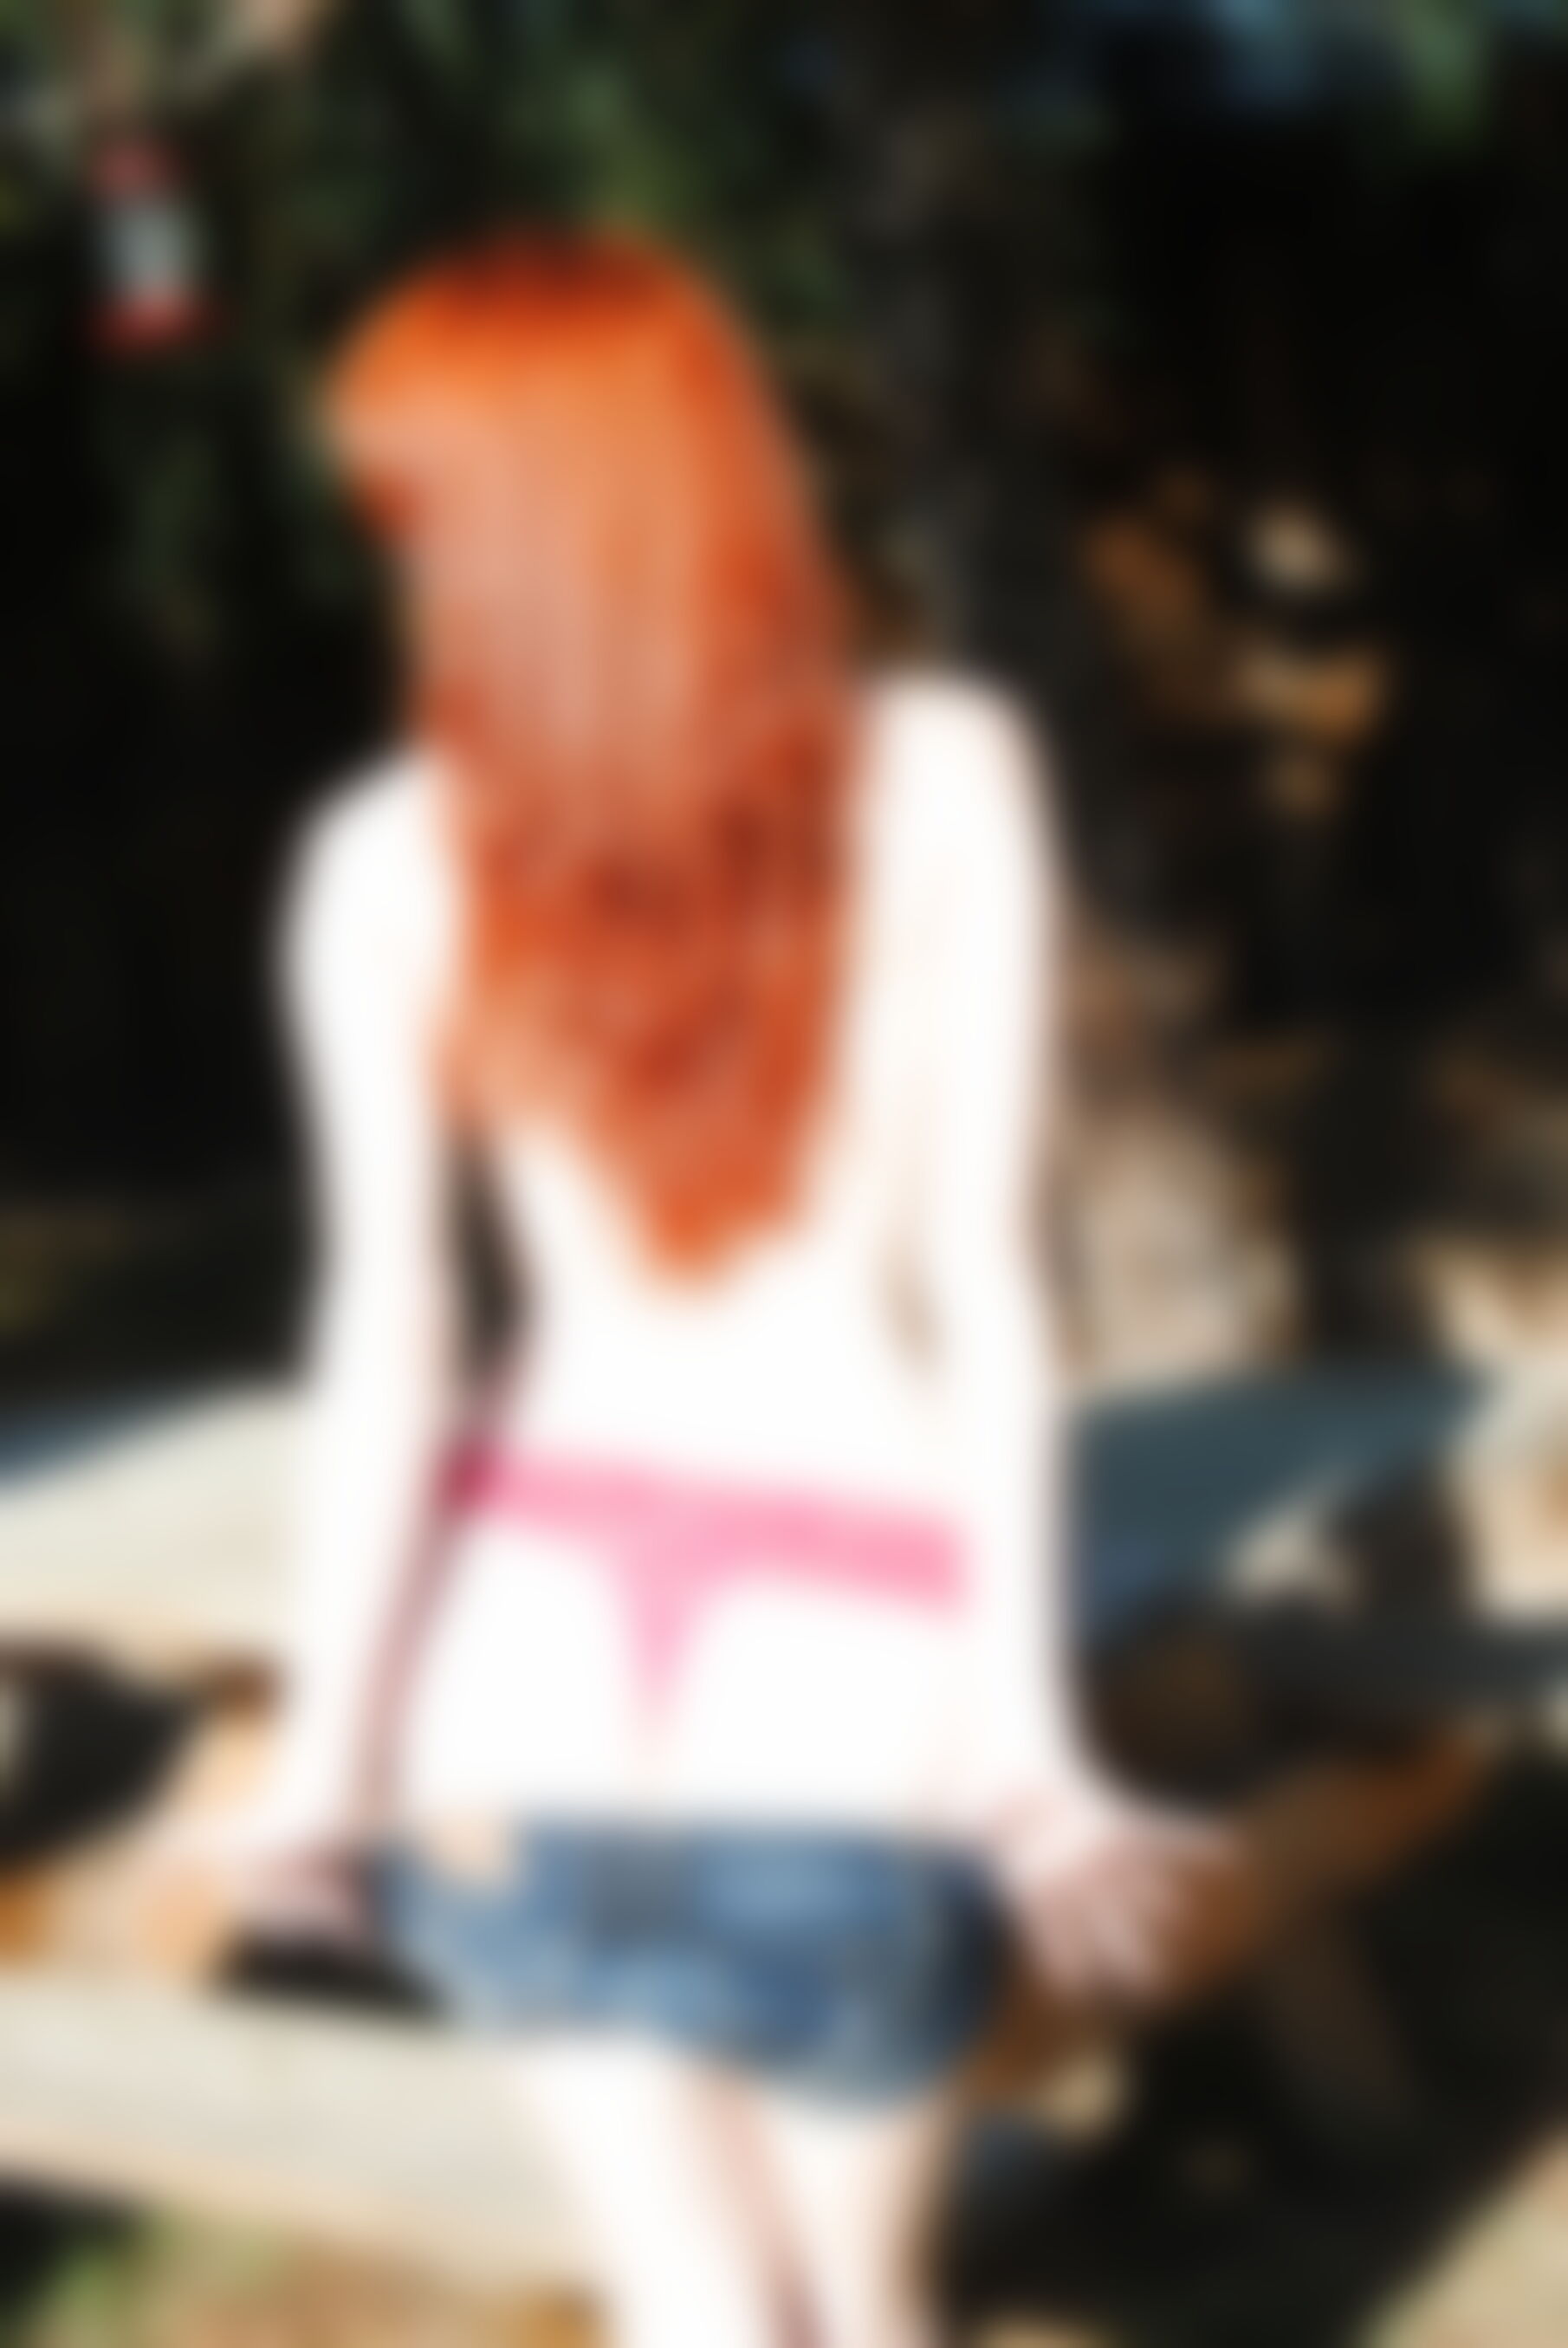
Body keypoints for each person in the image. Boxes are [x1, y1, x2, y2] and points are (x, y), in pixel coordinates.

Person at [201, 230, 1221, 2348]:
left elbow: (390, 1338)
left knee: (685, 2299)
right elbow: (989, 1291)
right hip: (850, 1682)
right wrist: (1027, 1739)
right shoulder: (950, 769)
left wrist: (319, 1753)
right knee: (860, 2305)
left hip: (509, 1704)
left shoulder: (373, 857)